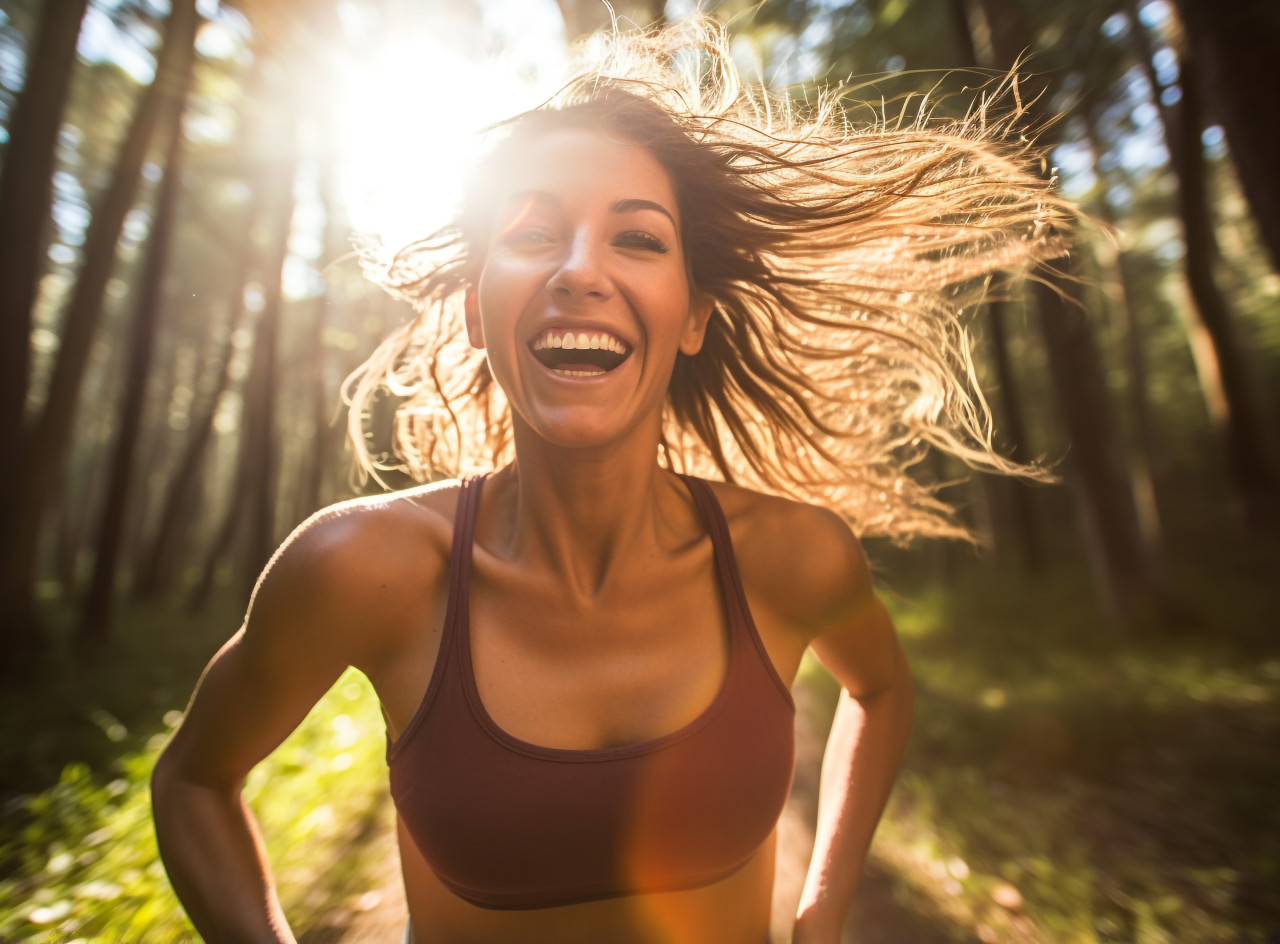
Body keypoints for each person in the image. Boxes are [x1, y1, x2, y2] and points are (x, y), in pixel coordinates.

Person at [151, 17, 1067, 944]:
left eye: (636, 238)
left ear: (694, 315)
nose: (580, 270)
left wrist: (823, 911)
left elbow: (881, 692)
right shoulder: (362, 569)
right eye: (532, 232)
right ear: (476, 314)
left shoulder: (792, 557)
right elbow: (193, 779)